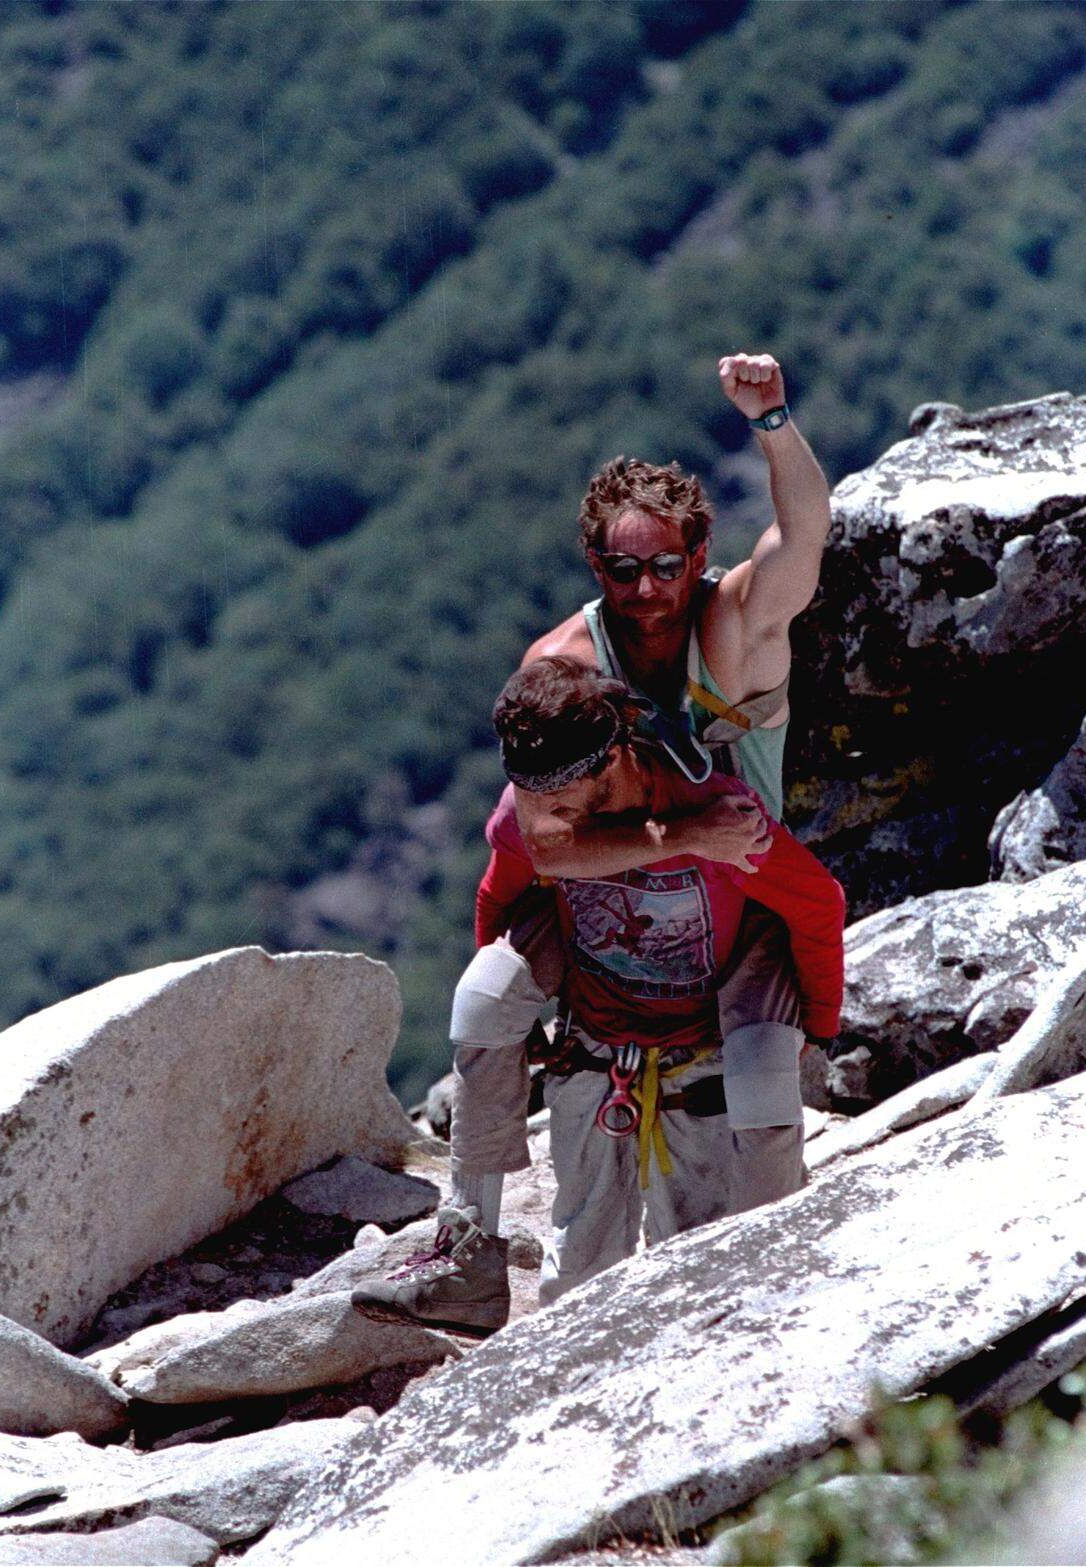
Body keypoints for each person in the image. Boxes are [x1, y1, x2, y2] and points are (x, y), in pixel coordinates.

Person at [352, 352, 833, 1333]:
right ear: (595, 567)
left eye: (666, 565)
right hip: (614, 898)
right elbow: (547, 846)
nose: (648, 588)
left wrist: (773, 420)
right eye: (624, 568)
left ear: (699, 557)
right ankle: (469, 1254)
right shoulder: (562, 670)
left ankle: (779, 1285)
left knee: (762, 1076)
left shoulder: (734, 633)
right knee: (485, 993)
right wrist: (682, 832)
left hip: (738, 897)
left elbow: (807, 538)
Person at [352, 658, 844, 1326]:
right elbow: (499, 895)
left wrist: (819, 1024)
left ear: (608, 761)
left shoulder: (717, 818)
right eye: (525, 791)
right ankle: (467, 1253)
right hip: (599, 1033)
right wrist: (518, 1016)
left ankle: (774, 1288)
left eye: (554, 797)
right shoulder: (533, 817)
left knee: (703, 1275)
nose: (535, 815)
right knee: (579, 1288)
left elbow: (816, 902)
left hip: (708, 1032)